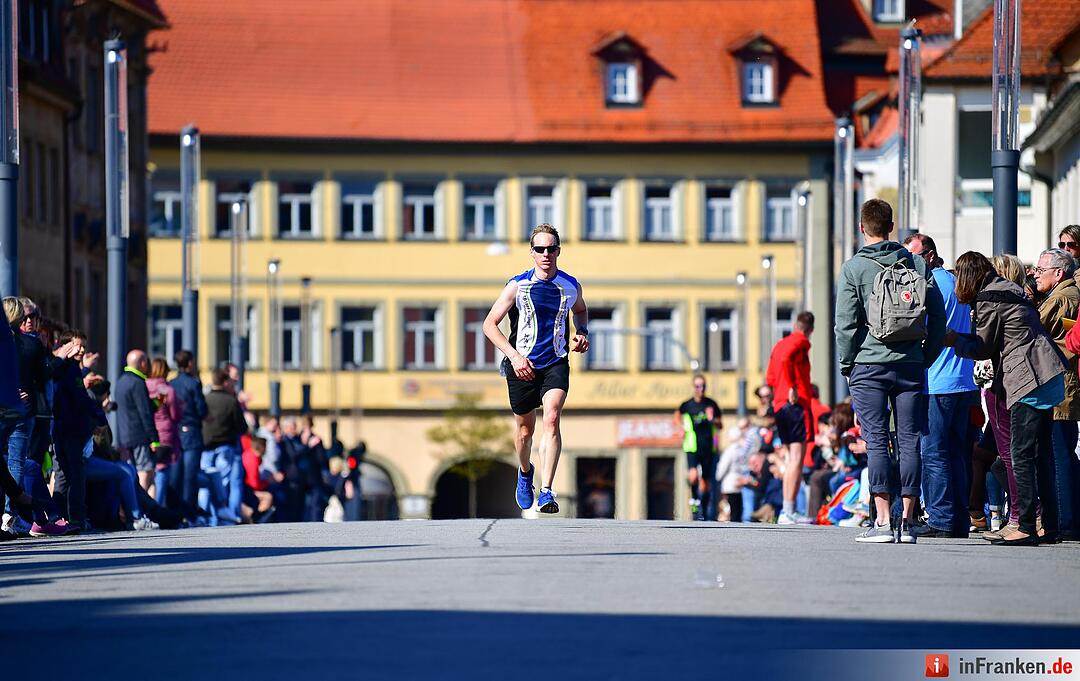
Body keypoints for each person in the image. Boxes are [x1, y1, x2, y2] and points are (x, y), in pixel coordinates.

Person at [835, 198, 945, 544]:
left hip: (869, 365)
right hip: (911, 363)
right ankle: (909, 522)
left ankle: (883, 521)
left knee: (877, 441)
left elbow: (846, 324)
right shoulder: (915, 263)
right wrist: (926, 355)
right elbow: (937, 316)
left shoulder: (855, 268)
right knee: (910, 439)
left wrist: (848, 364)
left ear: (861, 227)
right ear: (892, 226)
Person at [948, 251, 1066, 546]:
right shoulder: (1008, 288)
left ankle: (1025, 525)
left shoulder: (989, 297)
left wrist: (953, 340)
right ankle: (1048, 525)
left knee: (1021, 454)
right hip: (1047, 372)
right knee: (1040, 456)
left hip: (1028, 379)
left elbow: (983, 348)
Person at [483, 223, 589, 515]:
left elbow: (580, 311)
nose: (546, 254)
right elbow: (489, 325)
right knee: (524, 431)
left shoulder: (570, 285)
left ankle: (547, 490)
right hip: (522, 366)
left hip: (555, 361)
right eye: (540, 249)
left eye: (551, 249)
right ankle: (525, 471)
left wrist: (582, 332)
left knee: (552, 418)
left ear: (558, 251)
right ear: (532, 253)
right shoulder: (517, 285)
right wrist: (514, 356)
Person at [904, 233, 979, 539]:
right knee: (958, 452)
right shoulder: (953, 282)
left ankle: (941, 518)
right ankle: (959, 518)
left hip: (937, 380)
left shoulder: (930, 284)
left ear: (931, 255)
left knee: (934, 452)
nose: (910, 262)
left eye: (915, 256)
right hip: (962, 379)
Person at [1033, 248, 1080, 542]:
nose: (1035, 274)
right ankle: (1066, 518)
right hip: (1062, 382)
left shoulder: (1064, 298)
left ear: (1058, 273)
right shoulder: (1066, 294)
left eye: (1041, 269)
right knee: (1062, 454)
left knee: (1059, 454)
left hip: (1061, 385)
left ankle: (1065, 521)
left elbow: (1035, 325)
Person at [764, 310, 815, 524]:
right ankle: (789, 510)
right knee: (796, 457)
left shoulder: (779, 344)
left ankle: (787, 509)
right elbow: (786, 361)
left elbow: (770, 377)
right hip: (795, 404)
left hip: (779, 404)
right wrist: (793, 385)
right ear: (810, 329)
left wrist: (782, 389)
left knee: (789, 457)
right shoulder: (801, 342)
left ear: (795, 325)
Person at [674, 375, 722, 520]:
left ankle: (703, 510)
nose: (700, 389)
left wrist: (712, 419)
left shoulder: (711, 404)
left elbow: (720, 425)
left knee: (705, 481)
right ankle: (694, 500)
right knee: (693, 476)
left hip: (708, 447)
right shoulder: (687, 405)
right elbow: (677, 415)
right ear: (693, 387)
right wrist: (680, 427)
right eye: (697, 386)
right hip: (692, 445)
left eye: (703, 386)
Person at [202, 368, 247, 519]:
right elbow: (242, 426)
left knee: (206, 480)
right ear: (225, 382)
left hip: (206, 446)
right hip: (226, 445)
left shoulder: (205, 399)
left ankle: (207, 514)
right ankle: (229, 514)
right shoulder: (230, 401)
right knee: (225, 481)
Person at [114, 349, 162, 491]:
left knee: (135, 474)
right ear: (142, 363)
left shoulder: (121, 381)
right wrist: (154, 439)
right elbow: (144, 413)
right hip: (140, 438)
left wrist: (154, 404)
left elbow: (131, 408)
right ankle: (141, 508)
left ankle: (146, 509)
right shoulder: (138, 383)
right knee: (146, 473)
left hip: (124, 438)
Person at [170, 350, 208, 516]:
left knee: (175, 475)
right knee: (190, 476)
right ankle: (189, 512)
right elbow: (202, 410)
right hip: (192, 432)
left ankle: (175, 510)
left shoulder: (171, 383)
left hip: (175, 432)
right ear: (190, 363)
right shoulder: (193, 384)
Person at [146, 357, 183, 507]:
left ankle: (148, 507)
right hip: (165, 435)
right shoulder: (167, 390)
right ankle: (159, 507)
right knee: (162, 471)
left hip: (147, 433)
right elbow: (175, 415)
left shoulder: (143, 386)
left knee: (147, 470)